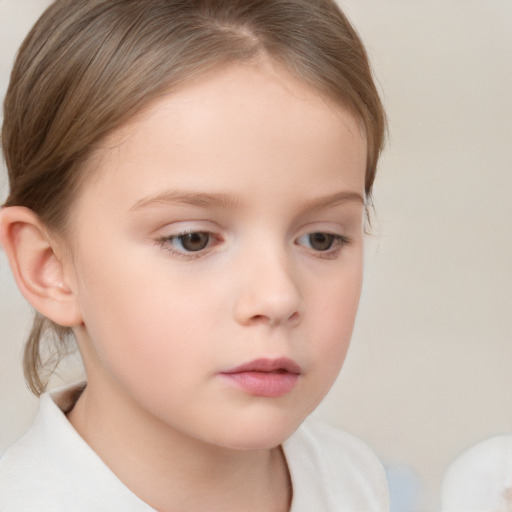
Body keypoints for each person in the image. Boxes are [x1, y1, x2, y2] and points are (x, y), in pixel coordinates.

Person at [0, 0, 389, 510]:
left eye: (321, 239)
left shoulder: (353, 479)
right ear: (49, 267)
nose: (277, 297)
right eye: (193, 239)